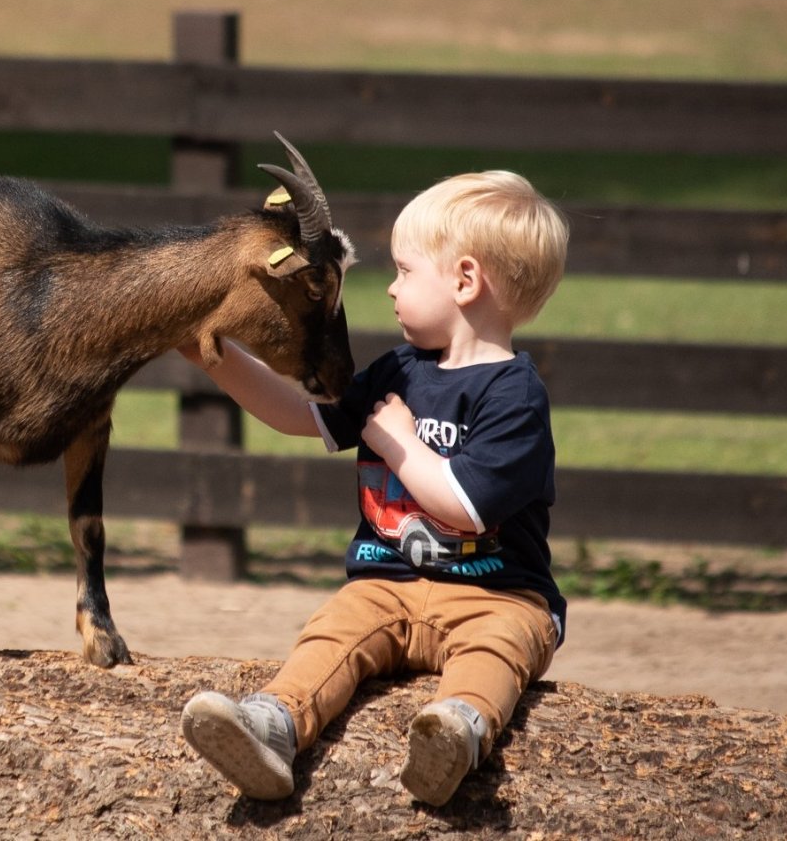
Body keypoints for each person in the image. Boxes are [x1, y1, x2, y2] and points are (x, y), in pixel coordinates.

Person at [178, 170, 569, 806]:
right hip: (386, 586)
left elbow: (466, 510)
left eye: (405, 271)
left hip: (500, 593)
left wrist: (399, 444)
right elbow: (297, 414)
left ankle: (456, 732)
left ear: (465, 282)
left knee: (500, 650)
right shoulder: (397, 371)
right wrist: (213, 355)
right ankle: (273, 723)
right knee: (333, 631)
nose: (390, 288)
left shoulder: (515, 397)